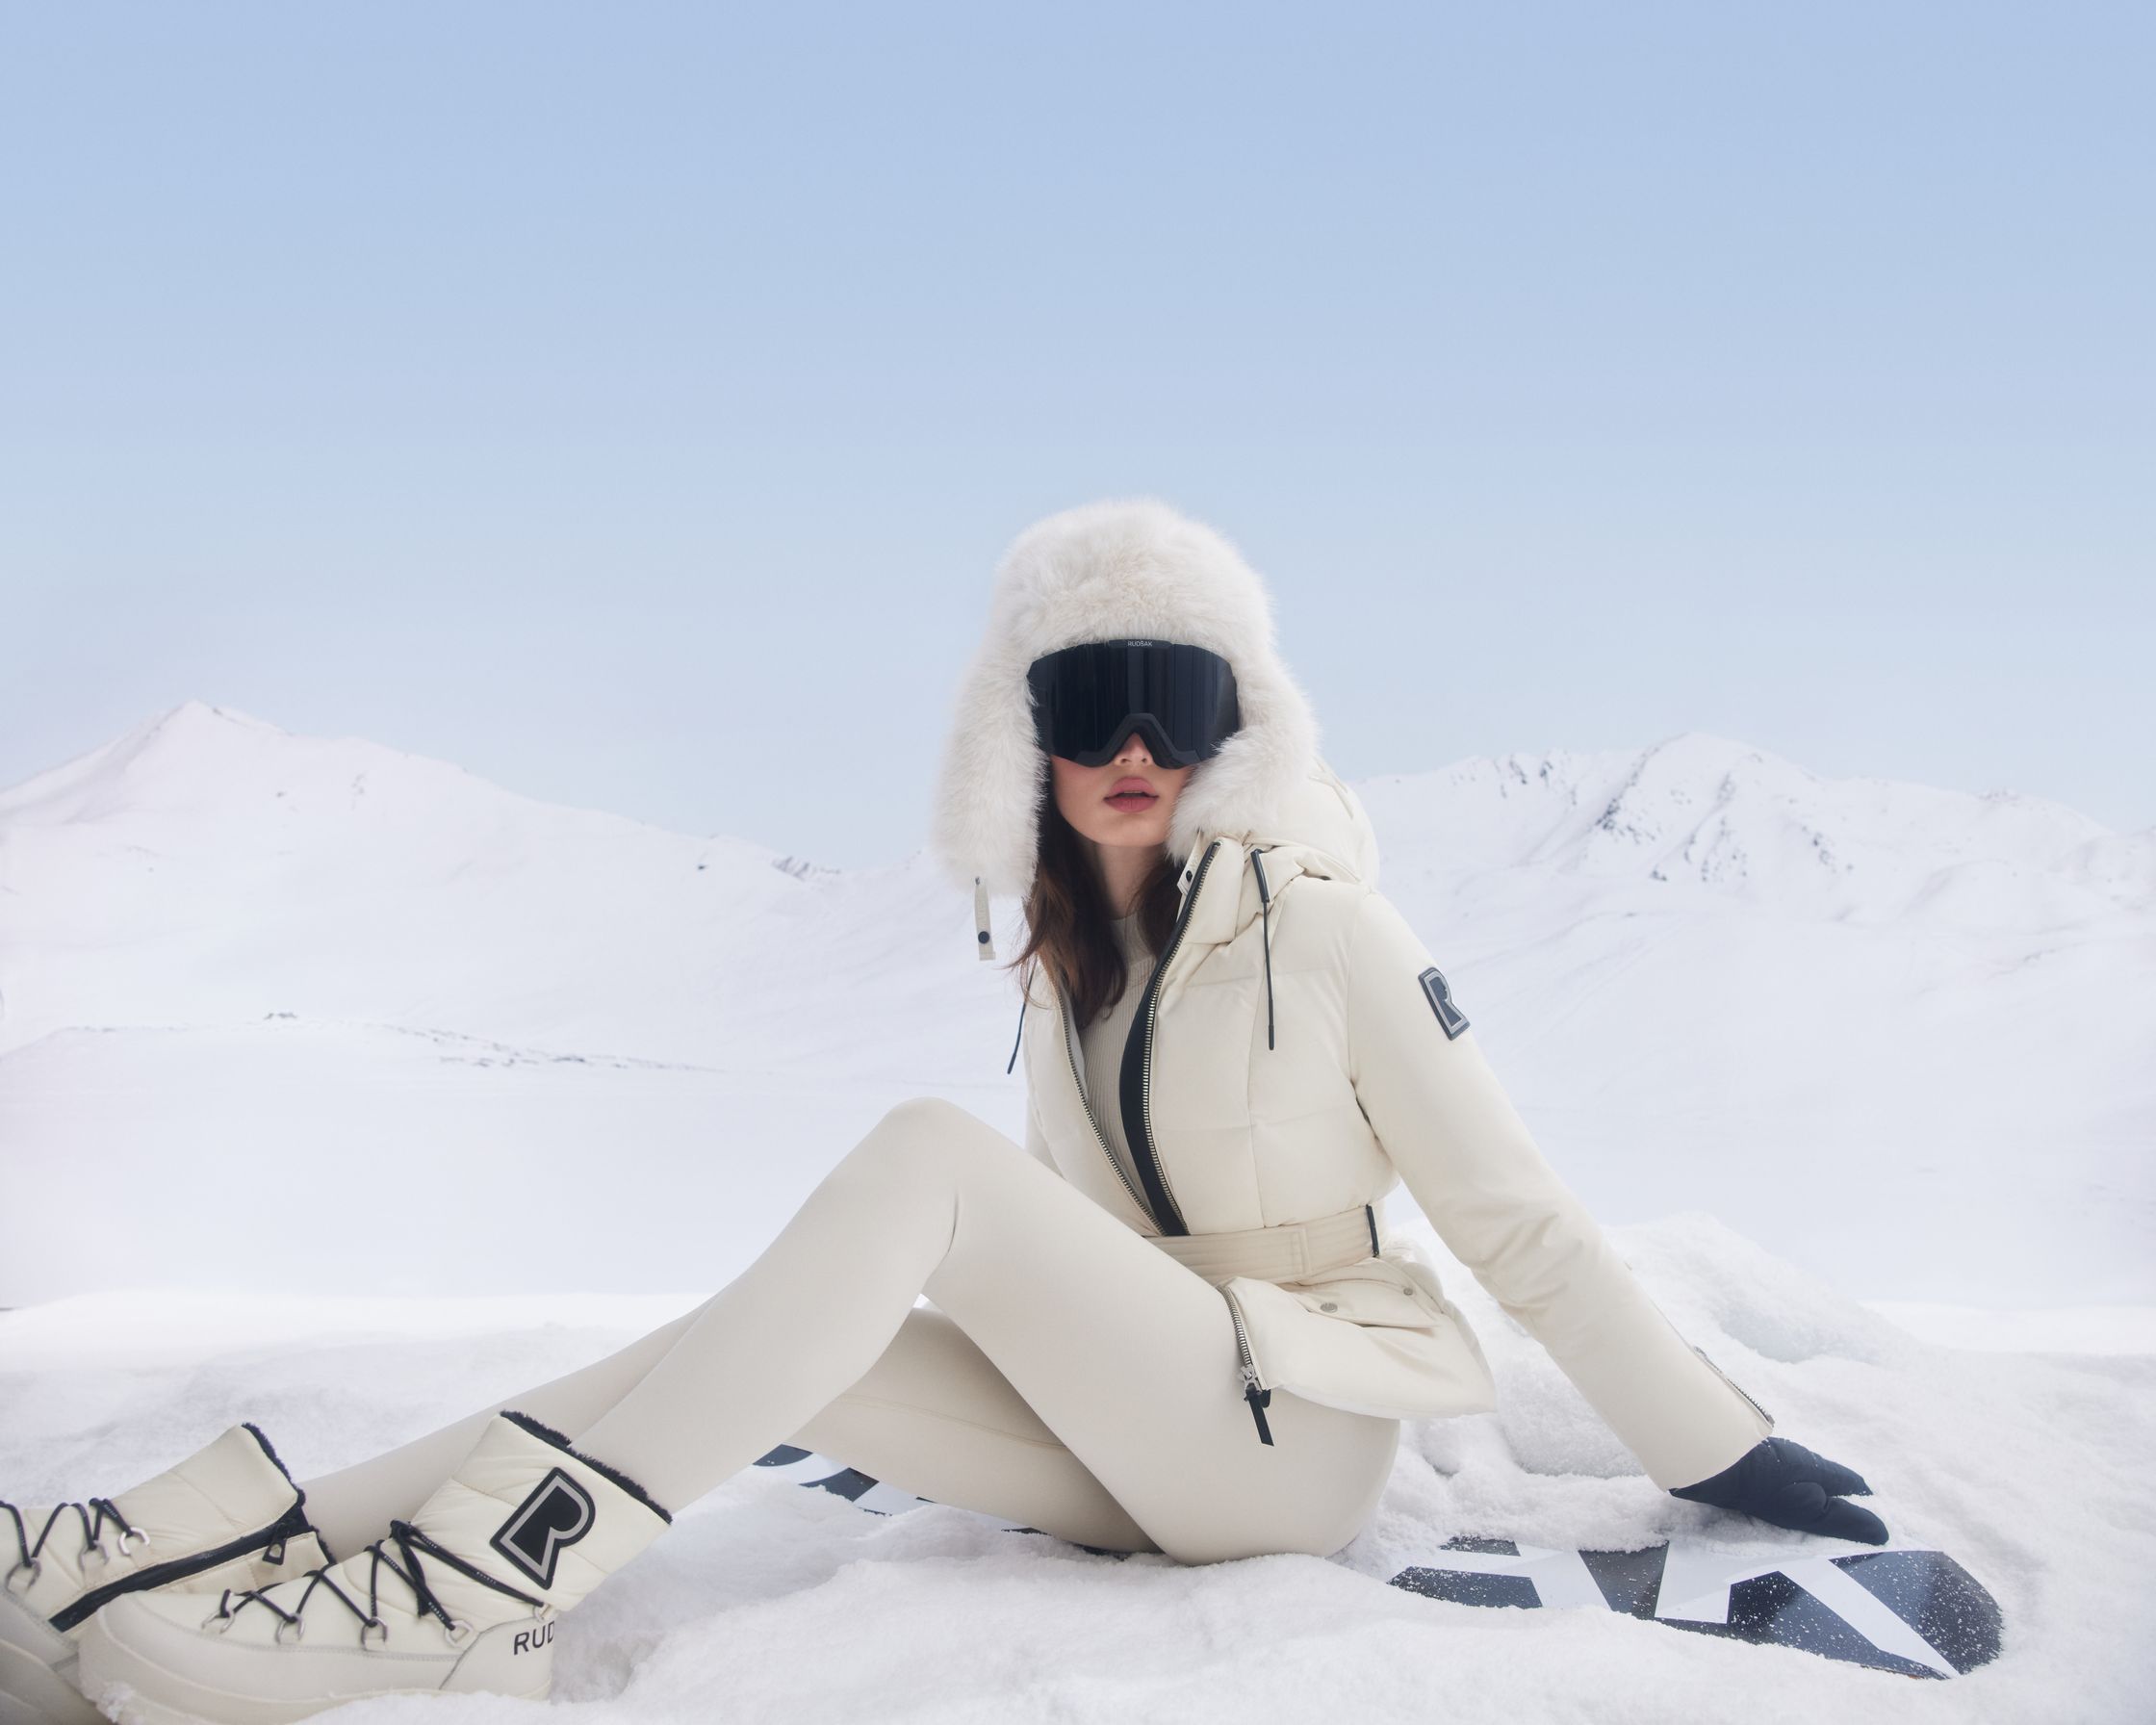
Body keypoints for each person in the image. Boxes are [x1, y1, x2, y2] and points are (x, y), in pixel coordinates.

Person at [2, 497, 1886, 1725]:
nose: (1134, 746)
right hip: (1124, 1431)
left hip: (1279, 1442)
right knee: (749, 1345)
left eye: (1176, 698)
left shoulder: (1331, 933)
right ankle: (180, 1547)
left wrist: (1711, 1444)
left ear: (1238, 724)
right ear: (1029, 739)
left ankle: (459, 1592)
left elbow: (1516, 1216)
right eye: (1090, 700)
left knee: (917, 1158)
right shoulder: (1064, 959)